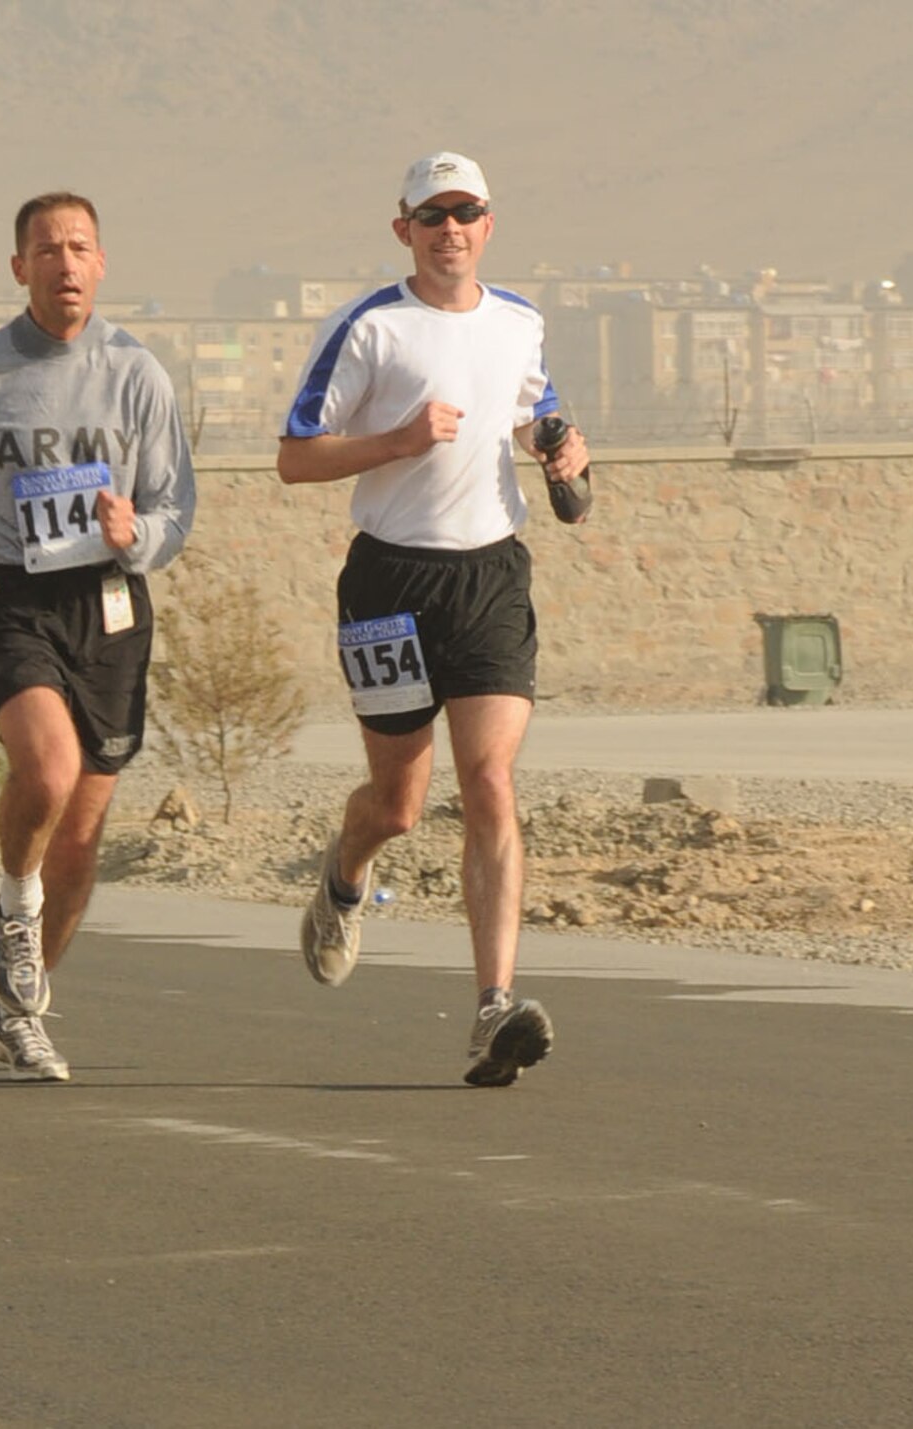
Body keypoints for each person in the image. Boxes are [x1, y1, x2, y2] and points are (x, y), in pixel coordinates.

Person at [277, 151, 590, 1088]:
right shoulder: (370, 329)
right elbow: (295, 458)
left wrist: (565, 457)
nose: (450, 227)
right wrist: (399, 442)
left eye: (468, 211)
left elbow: (544, 422)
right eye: (432, 214)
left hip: (491, 575)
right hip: (389, 584)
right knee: (400, 808)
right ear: (403, 228)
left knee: (489, 781)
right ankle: (344, 875)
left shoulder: (520, 323)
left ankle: (492, 1010)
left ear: (490, 224)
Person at [0, 192, 195, 1081]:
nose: (64, 263)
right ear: (19, 268)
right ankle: (17, 903)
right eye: (46, 249)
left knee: (83, 834)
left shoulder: (139, 375)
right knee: (47, 770)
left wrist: (141, 534)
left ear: (102, 263)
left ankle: (24, 1006)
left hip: (111, 606)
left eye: (80, 246)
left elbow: (177, 506)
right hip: (8, 599)